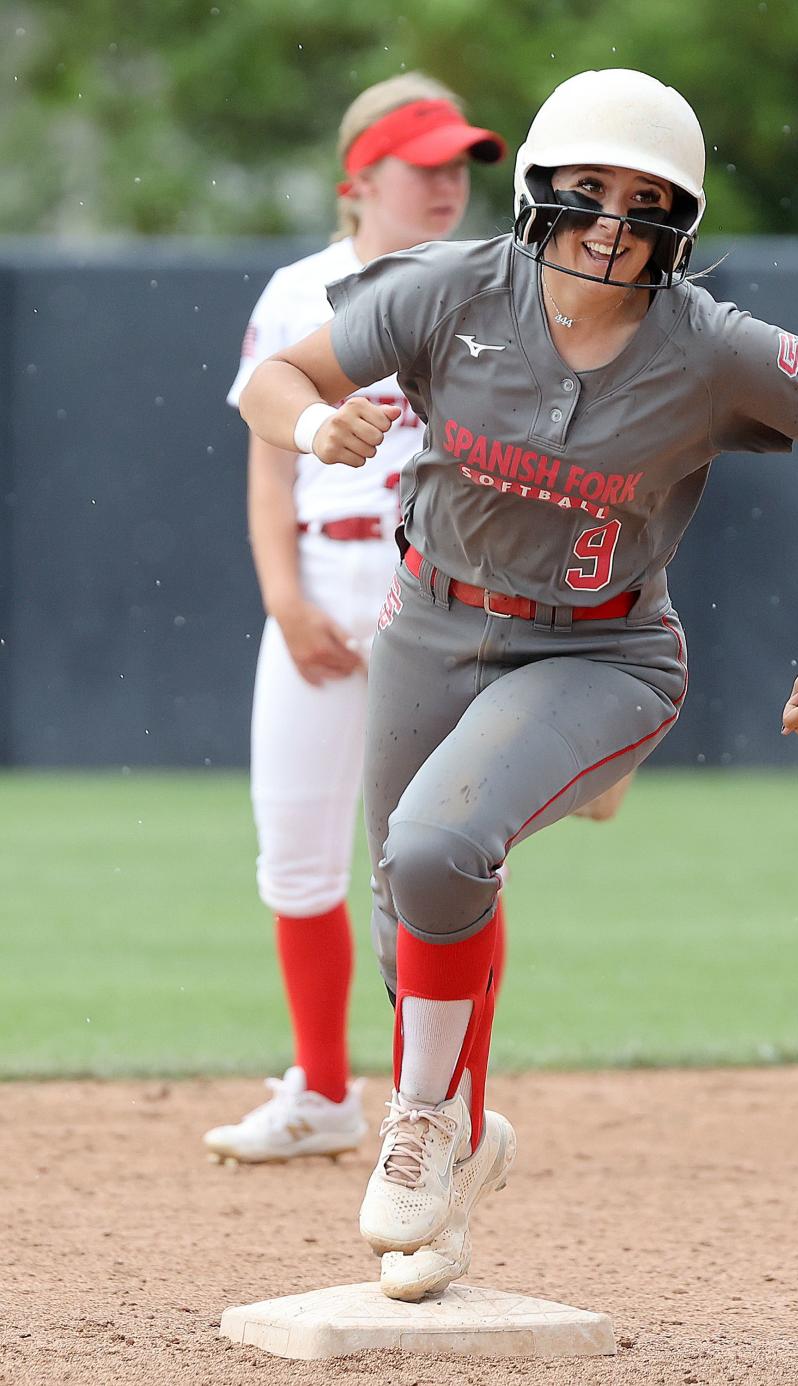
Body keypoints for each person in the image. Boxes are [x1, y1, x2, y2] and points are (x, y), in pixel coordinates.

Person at [238, 68, 798, 1297]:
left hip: (600, 650)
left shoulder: (709, 347)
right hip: (430, 624)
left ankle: (420, 1126)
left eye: (646, 199)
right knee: (412, 915)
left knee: (439, 848)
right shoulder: (451, 289)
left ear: (683, 223)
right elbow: (278, 379)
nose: (613, 220)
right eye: (590, 189)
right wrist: (308, 428)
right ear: (539, 187)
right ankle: (457, 1156)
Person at [203, 74, 506, 1165]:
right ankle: (324, 1092)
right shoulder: (301, 291)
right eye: (421, 163)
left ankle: (445, 1111)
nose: (445, 183)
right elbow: (264, 457)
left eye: (458, 164)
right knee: (292, 858)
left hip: (441, 597)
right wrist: (283, 599)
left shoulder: (489, 287)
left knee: (445, 862)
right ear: (359, 178)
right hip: (325, 586)